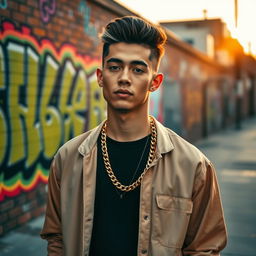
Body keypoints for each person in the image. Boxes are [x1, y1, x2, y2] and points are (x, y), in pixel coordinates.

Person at [41, 16, 227, 256]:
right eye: (115, 67)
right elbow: (57, 239)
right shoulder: (68, 158)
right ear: (100, 76)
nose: (124, 78)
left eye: (138, 70)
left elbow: (204, 248)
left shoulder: (193, 165)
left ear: (155, 82)